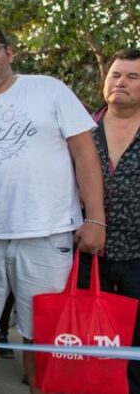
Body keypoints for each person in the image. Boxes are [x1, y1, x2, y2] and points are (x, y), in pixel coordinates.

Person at [0, 26, 106, 394]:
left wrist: (95, 218)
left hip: (46, 235)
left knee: (41, 332)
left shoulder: (48, 89)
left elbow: (85, 154)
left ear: (9, 53)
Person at [77, 48, 140, 392]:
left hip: (137, 255)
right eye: (115, 75)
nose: (121, 82)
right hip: (86, 255)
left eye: (132, 77)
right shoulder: (82, 128)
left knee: (135, 348)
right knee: (87, 343)